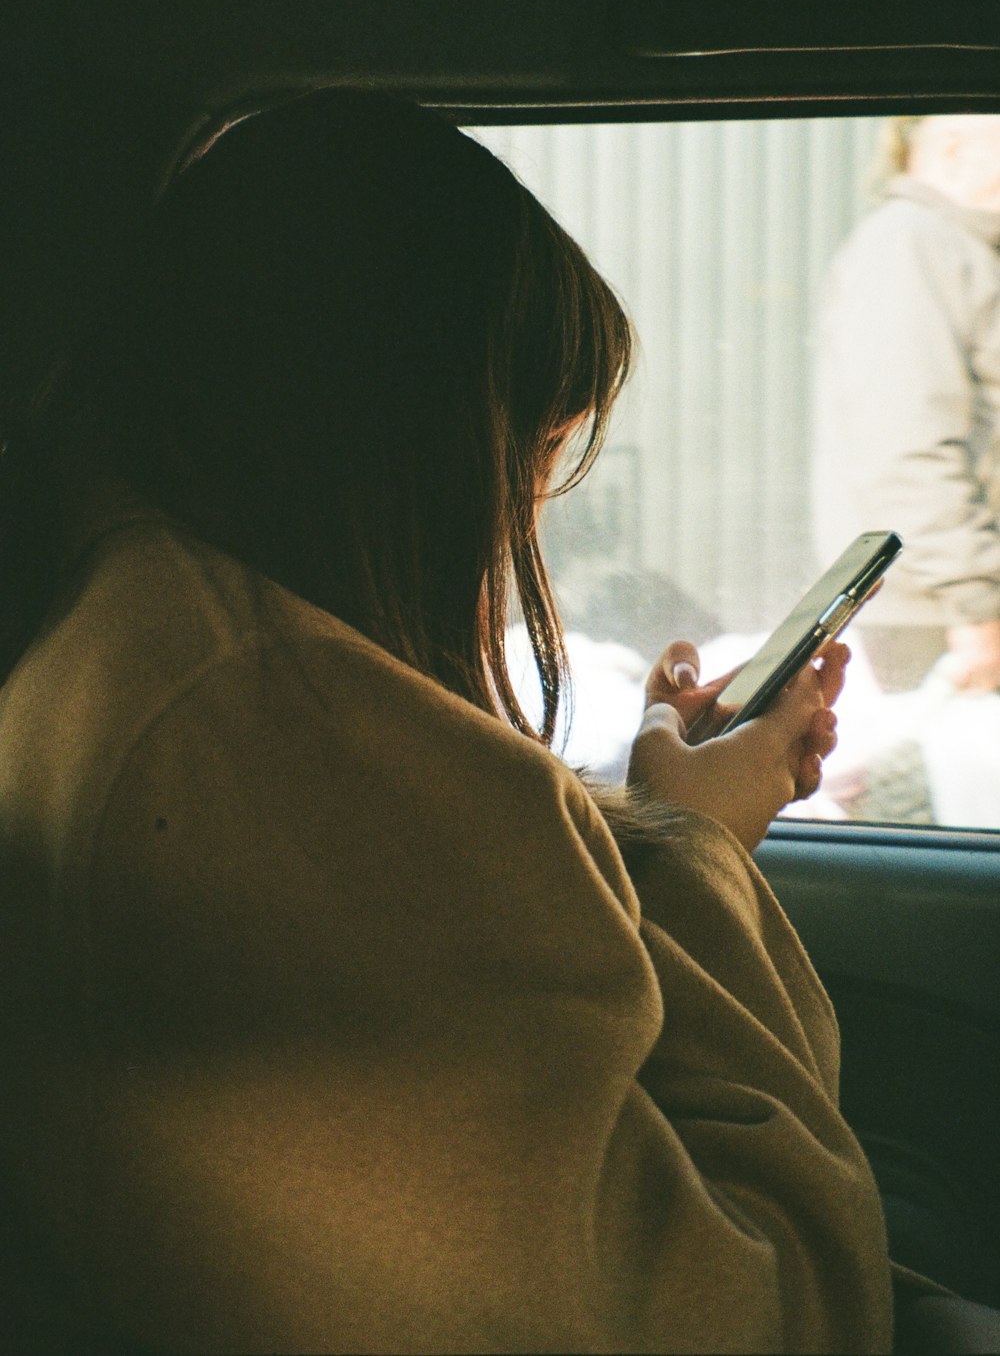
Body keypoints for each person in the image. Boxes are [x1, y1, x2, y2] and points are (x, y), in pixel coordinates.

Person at [0, 87, 900, 1353]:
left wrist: (656, 814)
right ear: (408, 449)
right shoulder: (263, 727)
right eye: (525, 469)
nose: (517, 532)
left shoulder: (137, 634)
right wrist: (693, 858)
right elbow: (756, 1311)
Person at [812, 113, 1000, 696]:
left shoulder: (956, 247)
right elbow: (907, 449)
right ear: (952, 148)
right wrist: (977, 607)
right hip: (943, 615)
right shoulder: (913, 243)